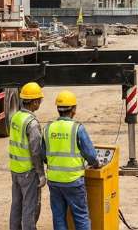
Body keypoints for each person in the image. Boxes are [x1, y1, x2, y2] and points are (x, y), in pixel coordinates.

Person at [46, 90, 100, 230]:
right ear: (74, 110)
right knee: (81, 216)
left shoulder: (48, 127)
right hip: (73, 181)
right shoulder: (77, 128)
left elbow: (43, 154)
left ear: (58, 109)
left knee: (58, 217)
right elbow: (91, 155)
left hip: (54, 181)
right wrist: (95, 164)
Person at [9, 82, 46, 230]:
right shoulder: (32, 123)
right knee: (30, 207)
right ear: (34, 102)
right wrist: (41, 174)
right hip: (28, 172)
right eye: (39, 100)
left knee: (16, 205)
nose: (40, 103)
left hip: (15, 170)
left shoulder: (16, 117)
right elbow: (35, 151)